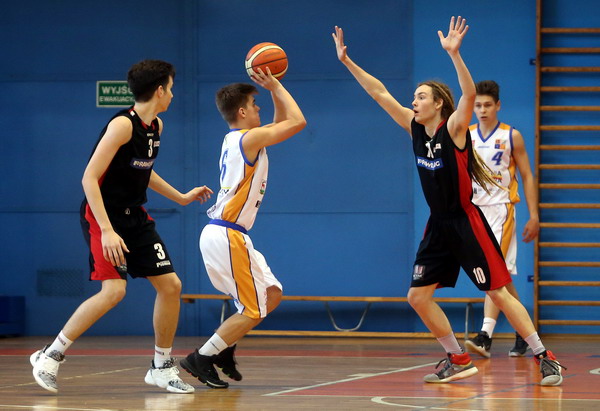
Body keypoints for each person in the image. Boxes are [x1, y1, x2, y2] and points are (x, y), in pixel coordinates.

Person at [332, 17, 564, 385]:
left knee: (498, 293)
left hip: (466, 221)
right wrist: (347, 61)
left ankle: (543, 356)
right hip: (438, 225)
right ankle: (458, 357)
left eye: (421, 96)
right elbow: (379, 93)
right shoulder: (413, 127)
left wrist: (455, 54)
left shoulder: (454, 129)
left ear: (439, 103)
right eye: (414, 97)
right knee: (417, 297)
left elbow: (468, 95)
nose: (414, 101)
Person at [30, 60, 214, 394]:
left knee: (171, 286)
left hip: (134, 217)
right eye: (171, 88)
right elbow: (89, 178)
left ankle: (161, 366)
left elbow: (143, 170)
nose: (173, 94)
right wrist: (107, 230)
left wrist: (181, 197)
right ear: (159, 90)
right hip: (103, 215)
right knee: (114, 291)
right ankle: (50, 354)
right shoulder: (122, 125)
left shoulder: (156, 126)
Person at [180, 68, 306, 389]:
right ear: (241, 111)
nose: (258, 108)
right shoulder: (247, 139)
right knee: (252, 309)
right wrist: (275, 85)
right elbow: (297, 122)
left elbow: (281, 122)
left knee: (271, 294)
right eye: (254, 104)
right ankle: (201, 357)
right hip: (227, 234)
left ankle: (223, 348)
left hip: (230, 234)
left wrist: (274, 90)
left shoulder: (237, 138)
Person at [464, 80, 539, 359]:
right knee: (502, 278)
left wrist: (534, 215)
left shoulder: (511, 136)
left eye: (487, 105)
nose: (482, 110)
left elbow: (527, 176)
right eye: (478, 105)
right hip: (475, 211)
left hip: (501, 210)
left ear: (498, 106)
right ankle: (524, 332)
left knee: (492, 272)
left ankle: (485, 335)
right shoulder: (466, 135)